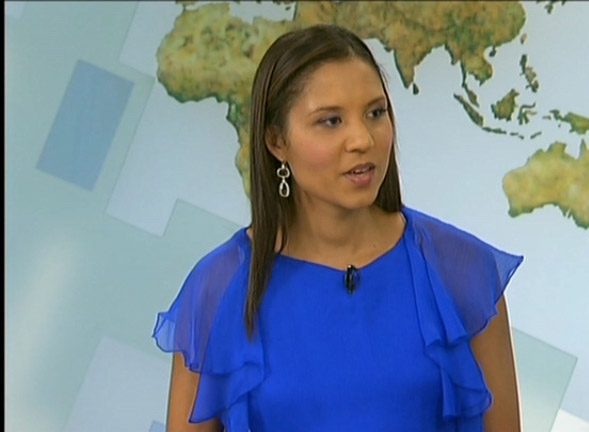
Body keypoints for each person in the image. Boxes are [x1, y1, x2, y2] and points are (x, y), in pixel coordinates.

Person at [153, 24, 524, 432]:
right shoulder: (218, 289)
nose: (362, 139)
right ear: (277, 142)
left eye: (376, 113)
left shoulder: (462, 272)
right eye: (331, 121)